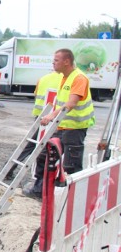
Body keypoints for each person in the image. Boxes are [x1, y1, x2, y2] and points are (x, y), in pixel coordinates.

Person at [24, 49, 95, 198]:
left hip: (74, 128)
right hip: (62, 127)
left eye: (56, 60)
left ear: (66, 61)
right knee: (44, 156)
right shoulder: (65, 77)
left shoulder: (79, 78)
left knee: (71, 164)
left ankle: (72, 198)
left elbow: (71, 103)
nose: (53, 63)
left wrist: (51, 116)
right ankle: (39, 189)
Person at [4, 70, 62, 180]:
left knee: (29, 146)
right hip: (53, 119)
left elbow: (36, 95)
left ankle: (8, 169)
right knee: (49, 149)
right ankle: (42, 178)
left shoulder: (43, 78)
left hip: (40, 117)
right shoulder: (65, 80)